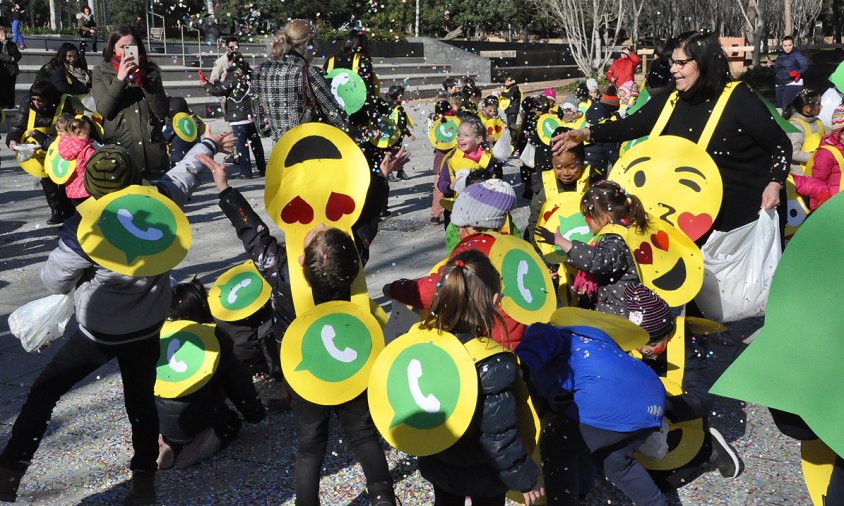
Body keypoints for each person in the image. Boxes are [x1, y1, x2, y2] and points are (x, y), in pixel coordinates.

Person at [0, 130, 236, 505]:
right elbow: (186, 171)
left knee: (45, 391)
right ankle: (143, 484)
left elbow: (54, 279)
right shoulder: (158, 199)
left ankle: (12, 468)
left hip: (99, 333)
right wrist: (207, 143)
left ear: (90, 188)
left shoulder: (85, 226)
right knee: (140, 405)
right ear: (135, 180)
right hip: (145, 330)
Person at [196, 155, 398, 506]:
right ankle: (383, 497)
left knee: (309, 446)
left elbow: (252, 233)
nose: (317, 223)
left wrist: (225, 188)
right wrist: (379, 178)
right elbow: (368, 222)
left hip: (304, 370)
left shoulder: (280, 270)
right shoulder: (356, 261)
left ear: (302, 260)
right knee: (363, 434)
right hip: (352, 364)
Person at [555, 30, 790, 237]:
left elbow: (780, 144)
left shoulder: (739, 98)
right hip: (692, 214)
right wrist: (586, 133)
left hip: (742, 217)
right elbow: (632, 125)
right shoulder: (672, 98)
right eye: (672, 62)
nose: (673, 69)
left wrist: (775, 182)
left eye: (681, 63)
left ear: (704, 62)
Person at [415, 250, 544, 506]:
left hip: (441, 463)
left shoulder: (426, 346)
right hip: (484, 474)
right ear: (496, 301)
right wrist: (525, 477)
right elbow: (499, 434)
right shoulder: (494, 364)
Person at [515, 316, 666, 506]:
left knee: (555, 444)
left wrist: (518, 367)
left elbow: (540, 342)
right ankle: (656, 503)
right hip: (652, 397)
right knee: (615, 461)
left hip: (609, 401)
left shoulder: (544, 332)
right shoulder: (591, 337)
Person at [384, 179, 527, 350]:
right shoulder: (514, 246)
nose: (458, 232)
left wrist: (395, 289)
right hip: (518, 339)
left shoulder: (473, 253)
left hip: (484, 344)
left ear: (470, 225)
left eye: (460, 226)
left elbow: (433, 290)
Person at [629, 286, 743, 488]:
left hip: (681, 418)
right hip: (644, 422)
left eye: (652, 343)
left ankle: (709, 447)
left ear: (667, 335)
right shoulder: (630, 344)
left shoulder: (689, 352)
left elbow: (702, 399)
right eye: (640, 343)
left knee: (663, 483)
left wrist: (666, 407)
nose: (645, 350)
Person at [156, 279, 266, 470]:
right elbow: (237, 383)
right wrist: (255, 413)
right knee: (231, 422)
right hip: (198, 418)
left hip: (161, 421)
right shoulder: (214, 339)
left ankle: (165, 442)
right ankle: (205, 439)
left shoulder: (157, 336)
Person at [538, 181, 649, 317]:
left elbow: (598, 260)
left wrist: (562, 242)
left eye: (587, 215)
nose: (584, 219)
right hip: (617, 303)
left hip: (619, 311)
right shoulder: (626, 228)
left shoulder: (617, 240)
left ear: (603, 219)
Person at [92, 25, 170, 179]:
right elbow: (104, 111)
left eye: (132, 46)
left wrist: (145, 82)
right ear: (113, 48)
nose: (128, 51)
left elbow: (162, 111)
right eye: (123, 47)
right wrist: (120, 79)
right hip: (120, 153)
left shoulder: (150, 70)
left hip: (151, 153)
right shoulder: (101, 70)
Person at [253, 19, 347, 142]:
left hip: (279, 154)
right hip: (309, 151)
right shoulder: (308, 72)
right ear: (308, 43)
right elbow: (338, 119)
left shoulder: (260, 71)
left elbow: (262, 128)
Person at [5, 81, 80, 224]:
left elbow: (69, 130)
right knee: (46, 179)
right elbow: (18, 125)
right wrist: (12, 139)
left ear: (49, 98)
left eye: (40, 100)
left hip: (60, 145)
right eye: (33, 99)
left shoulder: (63, 102)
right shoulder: (28, 103)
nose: (36, 102)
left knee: (63, 177)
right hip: (37, 150)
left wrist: (45, 140)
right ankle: (56, 210)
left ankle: (68, 210)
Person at [201, 52, 266, 178]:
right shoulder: (249, 74)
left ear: (231, 62)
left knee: (242, 145)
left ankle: (246, 172)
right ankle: (263, 168)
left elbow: (219, 90)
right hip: (251, 115)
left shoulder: (233, 75)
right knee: (256, 144)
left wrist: (206, 85)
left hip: (238, 117)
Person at [525, 132, 589, 249]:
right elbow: (534, 224)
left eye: (572, 167)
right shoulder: (543, 190)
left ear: (582, 161)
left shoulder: (593, 185)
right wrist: (539, 252)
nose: (565, 173)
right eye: (559, 167)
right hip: (553, 251)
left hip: (587, 248)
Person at [437, 112, 504, 204]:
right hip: (458, 204)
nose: (460, 138)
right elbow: (441, 181)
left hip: (484, 203)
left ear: (478, 139)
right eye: (459, 134)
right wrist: (450, 187)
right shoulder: (451, 157)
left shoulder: (489, 157)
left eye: (466, 135)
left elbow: (498, 181)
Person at [793, 104, 844, 211]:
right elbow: (816, 181)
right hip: (832, 204)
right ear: (838, 133)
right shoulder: (827, 153)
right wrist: (823, 199)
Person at [783, 88, 824, 174]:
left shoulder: (817, 121)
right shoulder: (795, 126)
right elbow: (793, 152)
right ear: (808, 108)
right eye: (818, 104)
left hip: (817, 168)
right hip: (801, 174)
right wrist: (818, 157)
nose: (821, 106)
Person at [59, 115, 97, 203]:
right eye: (87, 132)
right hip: (86, 189)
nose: (89, 134)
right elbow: (96, 163)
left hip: (71, 190)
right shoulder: (87, 149)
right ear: (79, 133)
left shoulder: (65, 146)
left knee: (80, 214)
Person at [162, 96, 205, 167]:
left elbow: (166, 137)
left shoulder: (173, 122)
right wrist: (192, 114)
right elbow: (199, 129)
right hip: (194, 154)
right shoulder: (194, 120)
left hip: (178, 156)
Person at [774, 35, 809, 108]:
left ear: (793, 45)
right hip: (779, 83)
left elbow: (804, 67)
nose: (787, 47)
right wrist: (770, 66)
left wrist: (797, 73)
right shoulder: (780, 55)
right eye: (785, 45)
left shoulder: (798, 54)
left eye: (790, 45)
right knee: (780, 107)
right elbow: (777, 70)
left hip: (793, 83)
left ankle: (792, 119)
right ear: (782, 46)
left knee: (787, 107)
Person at [0, 25, 21, 109]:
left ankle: (11, 104)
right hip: (2, 69)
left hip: (11, 70)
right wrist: (9, 58)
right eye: (1, 34)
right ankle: (2, 104)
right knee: (2, 88)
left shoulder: (11, 44)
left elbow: (18, 55)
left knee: (11, 88)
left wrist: (14, 58)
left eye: (5, 33)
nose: (4, 36)